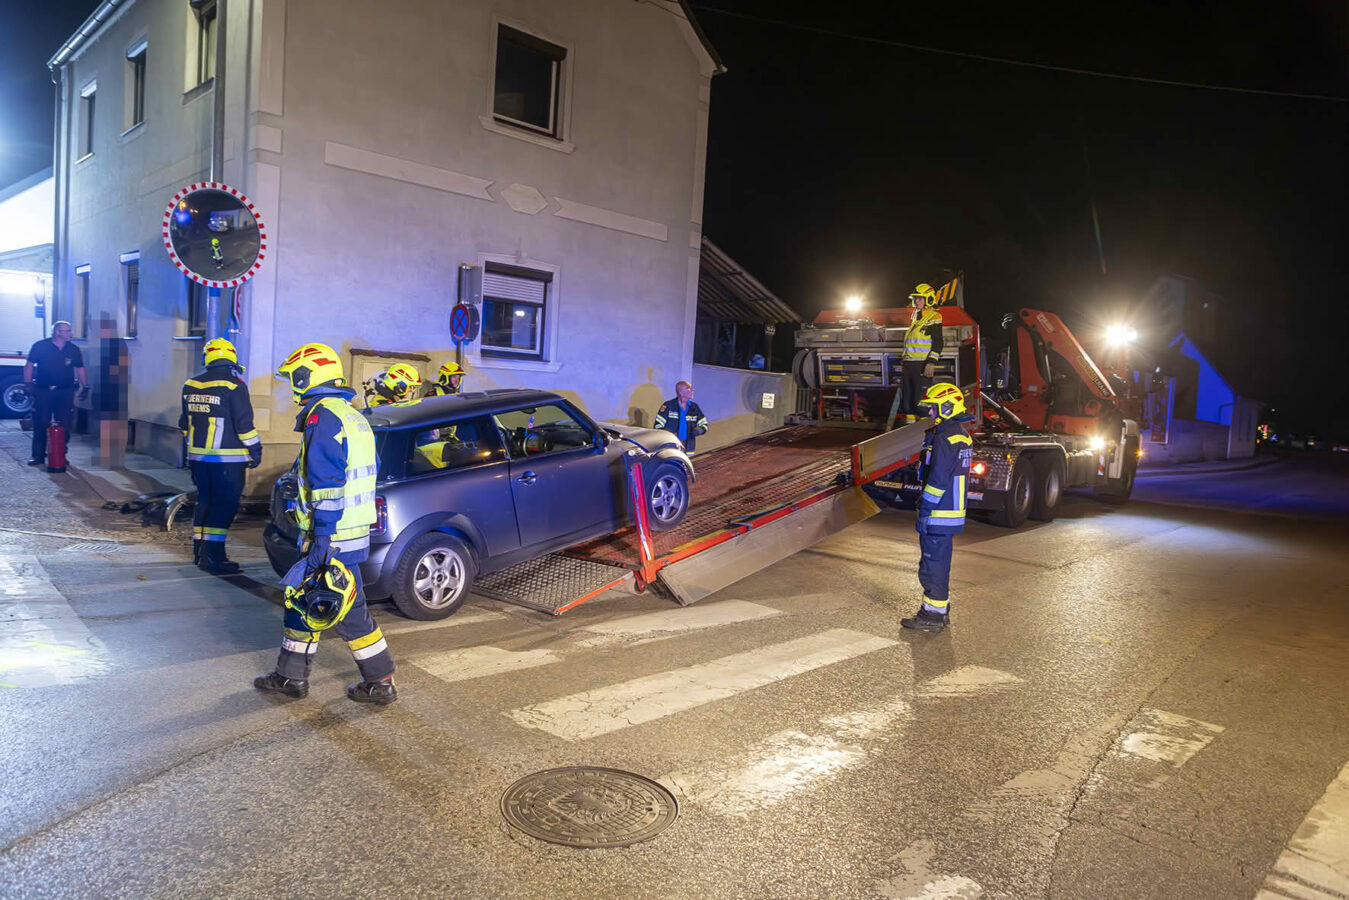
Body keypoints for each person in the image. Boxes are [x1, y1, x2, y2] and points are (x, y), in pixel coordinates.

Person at [257, 342, 396, 705]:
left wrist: (321, 534)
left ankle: (380, 683)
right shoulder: (352, 415)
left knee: (339, 610)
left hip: (332, 537)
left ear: (307, 377)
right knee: (310, 602)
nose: (292, 386)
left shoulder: (324, 417)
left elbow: (328, 485)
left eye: (294, 378)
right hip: (351, 533)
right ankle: (292, 677)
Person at [179, 338, 261, 574]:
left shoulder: (190, 384)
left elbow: (184, 424)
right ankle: (213, 558)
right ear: (232, 358)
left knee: (205, 502)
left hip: (197, 459)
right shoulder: (234, 386)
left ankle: (200, 552)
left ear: (208, 358)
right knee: (224, 506)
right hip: (228, 461)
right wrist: (256, 450)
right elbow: (244, 425)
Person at [901, 383, 972, 634]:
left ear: (946, 406)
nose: (930, 413)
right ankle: (941, 609)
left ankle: (932, 616)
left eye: (933, 407)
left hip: (939, 512)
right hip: (951, 511)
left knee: (932, 565)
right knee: (939, 563)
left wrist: (926, 508)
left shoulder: (944, 437)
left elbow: (939, 478)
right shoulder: (959, 433)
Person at [24, 320, 89, 467]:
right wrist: (28, 383)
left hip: (64, 392)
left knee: (65, 425)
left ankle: (60, 454)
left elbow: (80, 368)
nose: (70, 333)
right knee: (41, 422)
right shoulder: (40, 346)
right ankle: (38, 456)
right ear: (57, 332)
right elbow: (29, 365)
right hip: (43, 391)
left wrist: (85, 386)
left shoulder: (73, 350)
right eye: (67, 331)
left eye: (70, 330)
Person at [897, 283, 945, 424]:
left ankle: (924, 430)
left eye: (920, 298)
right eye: (916, 298)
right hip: (909, 365)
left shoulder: (934, 317)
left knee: (921, 403)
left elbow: (938, 342)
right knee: (907, 403)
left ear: (929, 299)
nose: (916, 301)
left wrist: (931, 362)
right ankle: (909, 434)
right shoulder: (916, 318)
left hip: (921, 365)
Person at [95, 316, 129, 468]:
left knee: (115, 423)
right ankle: (108, 456)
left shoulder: (118, 343)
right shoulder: (105, 344)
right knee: (107, 423)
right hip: (106, 389)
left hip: (115, 389)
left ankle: (116, 457)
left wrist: (114, 373)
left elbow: (122, 366)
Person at [654, 380, 709, 452]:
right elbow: (657, 426)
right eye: (689, 388)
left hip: (688, 446)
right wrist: (671, 435)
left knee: (686, 463)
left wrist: (698, 430)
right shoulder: (668, 406)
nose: (693, 389)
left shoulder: (694, 407)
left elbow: (704, 424)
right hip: (671, 446)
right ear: (681, 392)